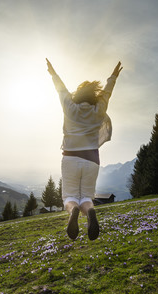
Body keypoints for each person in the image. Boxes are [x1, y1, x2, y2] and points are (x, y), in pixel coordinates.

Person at [46, 58, 122, 240]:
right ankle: (89, 213)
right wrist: (113, 77)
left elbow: (61, 89)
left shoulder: (69, 108)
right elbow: (107, 93)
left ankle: (73, 211)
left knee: (69, 197)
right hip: (92, 159)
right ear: (93, 97)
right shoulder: (99, 110)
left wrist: (53, 73)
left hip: (70, 158)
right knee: (87, 197)